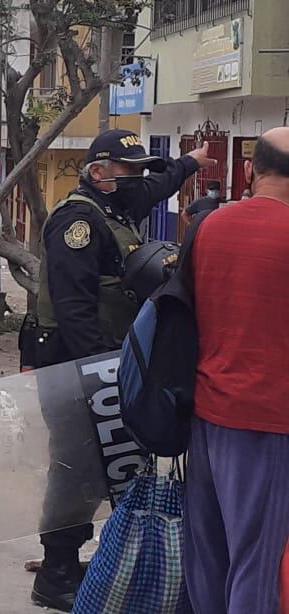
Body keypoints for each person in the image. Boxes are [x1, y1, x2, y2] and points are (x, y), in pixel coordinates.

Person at [30, 129, 214, 611]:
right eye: (129, 170)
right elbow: (73, 308)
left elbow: (157, 185)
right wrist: (100, 372)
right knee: (75, 467)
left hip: (112, 361)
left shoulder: (115, 209)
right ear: (99, 174)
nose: (138, 179)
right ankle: (57, 571)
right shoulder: (78, 221)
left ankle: (106, 559)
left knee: (115, 465)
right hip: (77, 364)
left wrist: (189, 163)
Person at [184, 127, 289, 614]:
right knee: (257, 561)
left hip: (206, 414)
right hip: (268, 419)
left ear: (250, 170)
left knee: (209, 556)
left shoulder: (208, 228)